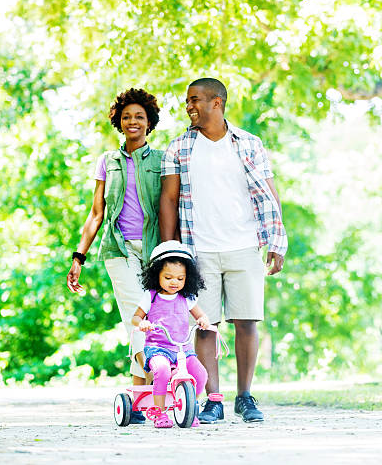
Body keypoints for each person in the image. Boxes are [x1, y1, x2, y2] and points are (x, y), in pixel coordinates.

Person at [159, 77, 288, 424]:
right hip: (199, 249)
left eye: (195, 100)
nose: (189, 106)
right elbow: (169, 200)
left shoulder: (249, 143)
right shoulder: (178, 147)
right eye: (187, 101)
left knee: (247, 321)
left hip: (244, 246)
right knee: (205, 325)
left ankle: (244, 397)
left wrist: (276, 241)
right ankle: (213, 399)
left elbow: (269, 194)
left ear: (217, 102)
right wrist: (169, 250)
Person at [66, 87, 163, 424]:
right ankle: (158, 381)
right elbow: (96, 213)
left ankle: (139, 399)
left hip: (156, 251)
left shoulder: (163, 161)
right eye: (126, 117)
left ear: (149, 122)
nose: (132, 121)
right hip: (117, 250)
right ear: (118, 123)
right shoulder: (107, 162)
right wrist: (79, 256)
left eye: (139, 116)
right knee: (138, 317)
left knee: (155, 320)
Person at [132, 240, 209, 428]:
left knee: (200, 374)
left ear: (187, 278)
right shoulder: (151, 296)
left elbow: (201, 315)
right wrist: (142, 323)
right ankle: (159, 412)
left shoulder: (187, 298)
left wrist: (203, 321)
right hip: (157, 348)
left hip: (183, 349)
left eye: (180, 278)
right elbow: (135, 317)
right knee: (162, 370)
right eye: (168, 277)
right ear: (156, 274)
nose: (174, 282)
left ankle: (189, 406)